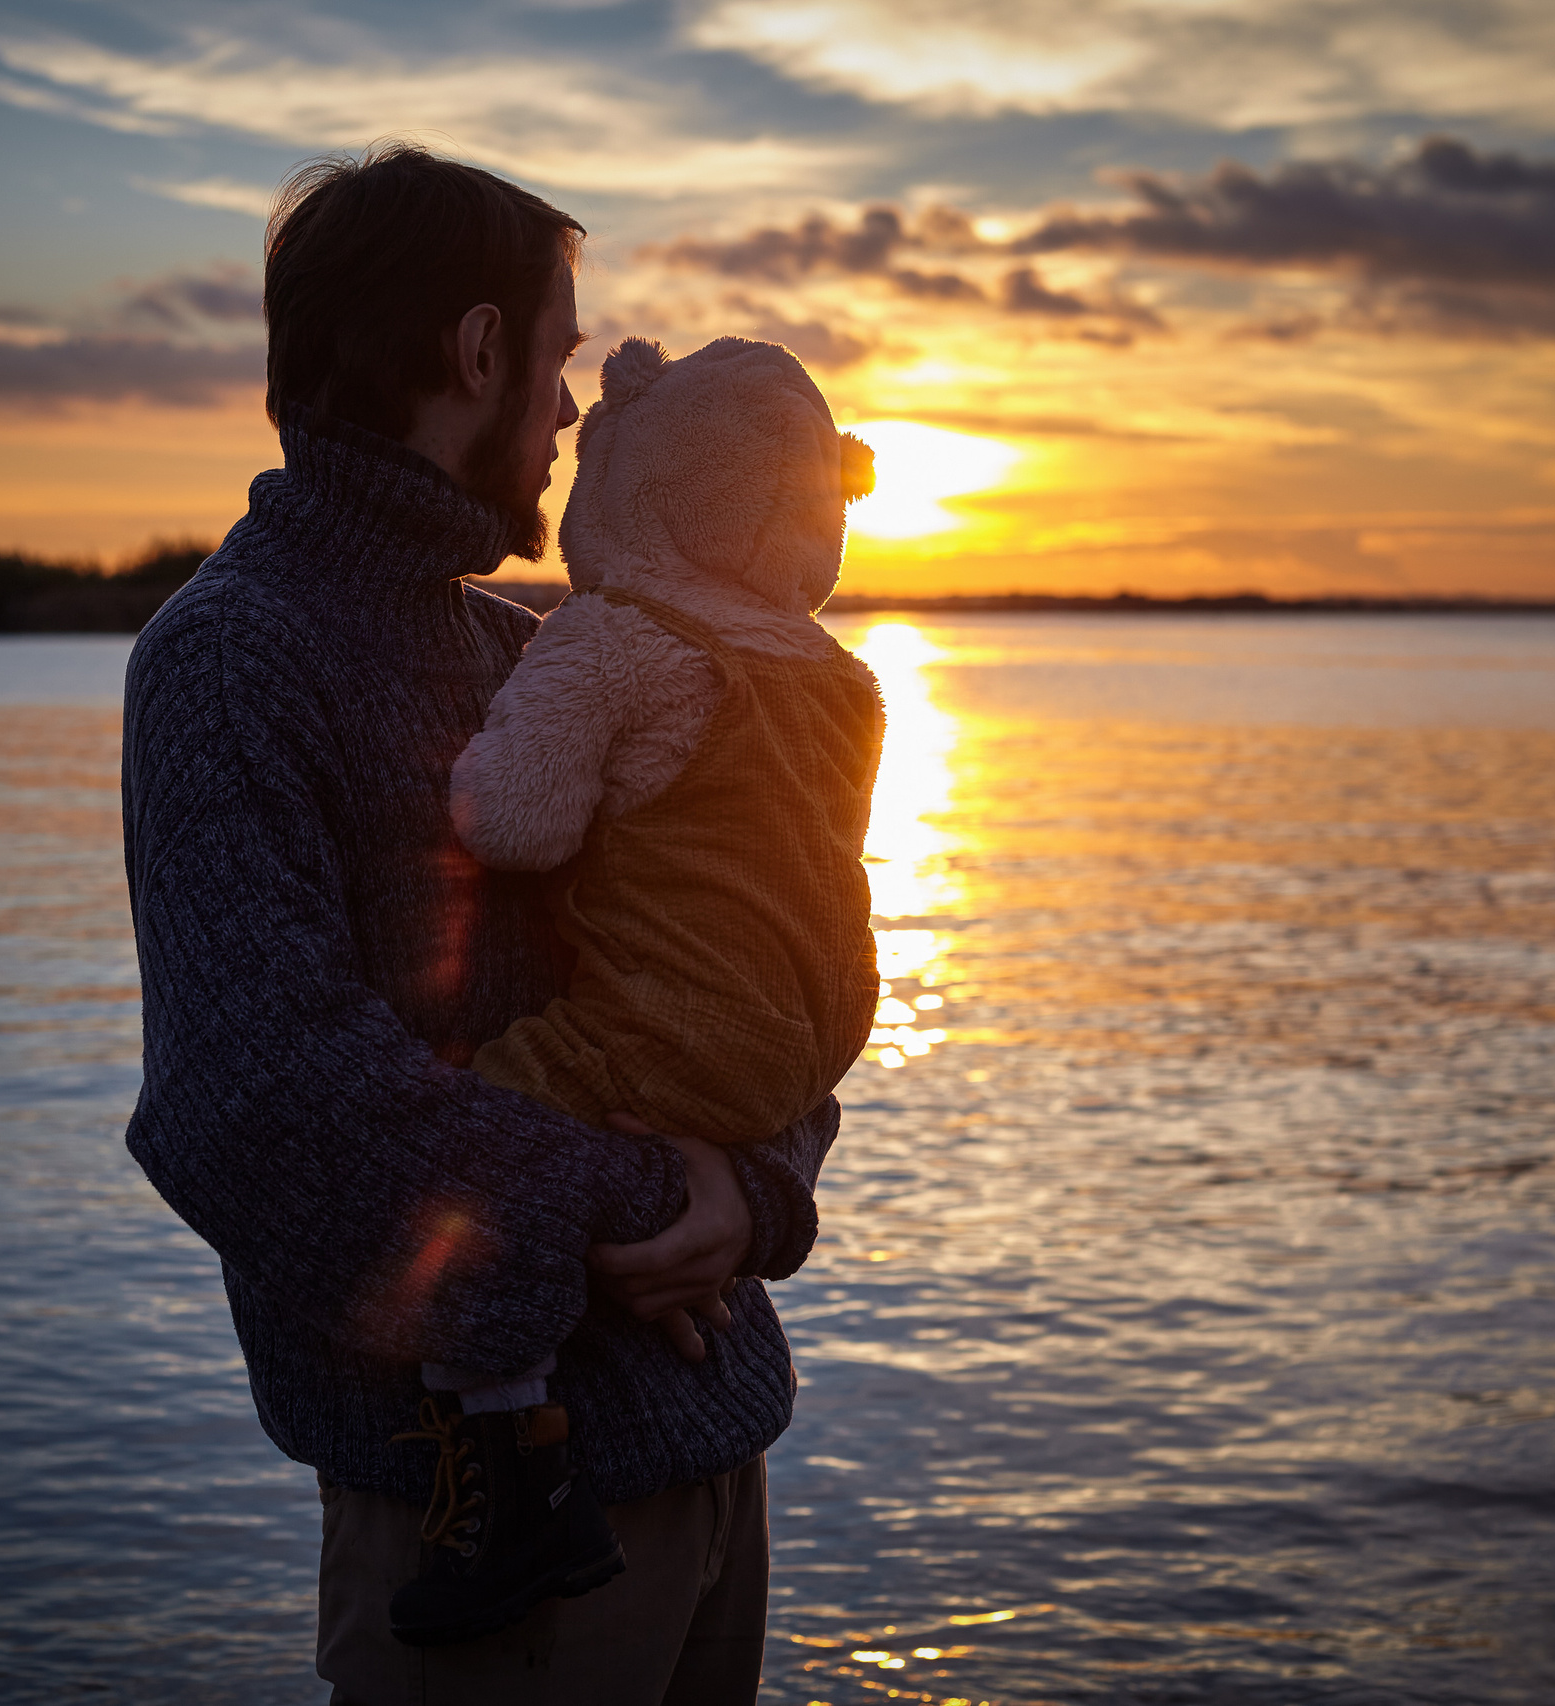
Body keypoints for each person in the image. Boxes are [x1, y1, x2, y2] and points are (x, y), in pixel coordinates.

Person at [118, 141, 838, 1706]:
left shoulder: (547, 651)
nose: (575, 411)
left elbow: (767, 949)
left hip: (713, 1466)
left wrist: (759, 1189)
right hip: (489, 1547)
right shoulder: (230, 660)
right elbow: (255, 1107)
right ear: (478, 348)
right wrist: (658, 1185)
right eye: (562, 355)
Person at [401, 335, 884, 1641]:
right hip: (810, 1040)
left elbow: (515, 820)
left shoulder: (613, 637)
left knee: (469, 1143)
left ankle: (508, 1462)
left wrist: (466, 771)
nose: (563, 418)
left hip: (672, 1025)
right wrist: (740, 1175)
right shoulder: (840, 681)